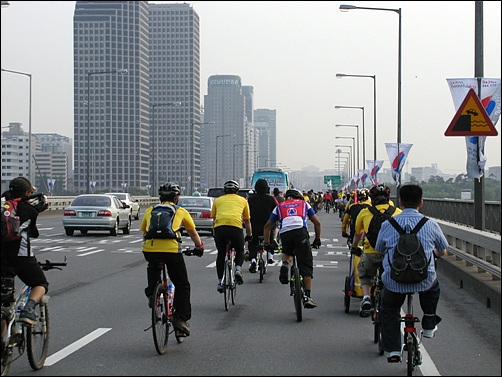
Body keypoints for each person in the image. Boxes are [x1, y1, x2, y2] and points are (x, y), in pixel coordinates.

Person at [375, 184, 448, 363]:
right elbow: (443, 250)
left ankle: (393, 350)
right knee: (432, 288)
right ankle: (429, 324)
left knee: (389, 309)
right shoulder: (430, 224)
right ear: (421, 203)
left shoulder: (388, 224)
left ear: (400, 202)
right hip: (424, 279)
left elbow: (379, 249)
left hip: (395, 281)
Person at [140, 182, 204, 337]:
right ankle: (181, 320)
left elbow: (144, 232)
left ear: (160, 198)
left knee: (153, 266)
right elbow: (193, 233)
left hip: (150, 249)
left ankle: (152, 294)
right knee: (182, 284)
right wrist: (199, 247)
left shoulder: (150, 211)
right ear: (176, 198)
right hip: (172, 251)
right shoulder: (180, 211)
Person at [1, 177, 49, 326]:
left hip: (2, 260)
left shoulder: (3, 207)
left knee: (5, 305)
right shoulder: (29, 210)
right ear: (27, 193)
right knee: (40, 283)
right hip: (21, 258)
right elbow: (33, 233)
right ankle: (28, 310)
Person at [263, 189, 321, 309]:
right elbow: (317, 223)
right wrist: (317, 239)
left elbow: (268, 226)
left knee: (288, 251)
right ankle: (307, 296)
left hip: (285, 233)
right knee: (306, 263)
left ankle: (285, 264)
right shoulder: (304, 204)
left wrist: (267, 243)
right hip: (300, 231)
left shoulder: (280, 206)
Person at [351, 184, 402, 317]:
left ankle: (366, 297)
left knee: (366, 275)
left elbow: (358, 233)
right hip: (390, 254)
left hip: (370, 252)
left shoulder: (365, 212)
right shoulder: (397, 212)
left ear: (371, 199)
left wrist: (354, 247)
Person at [211, 180, 252, 291]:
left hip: (220, 228)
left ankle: (220, 282)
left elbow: (214, 220)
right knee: (239, 250)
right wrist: (249, 235)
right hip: (235, 228)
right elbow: (247, 221)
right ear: (237, 191)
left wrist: (215, 234)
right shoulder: (243, 201)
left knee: (221, 254)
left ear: (224, 191)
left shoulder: (217, 201)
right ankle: (238, 269)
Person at [247, 179, 278, 272]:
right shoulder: (271, 199)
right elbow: (276, 211)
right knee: (270, 238)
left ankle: (253, 260)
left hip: (254, 226)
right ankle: (270, 256)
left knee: (252, 243)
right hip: (267, 227)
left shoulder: (251, 199)